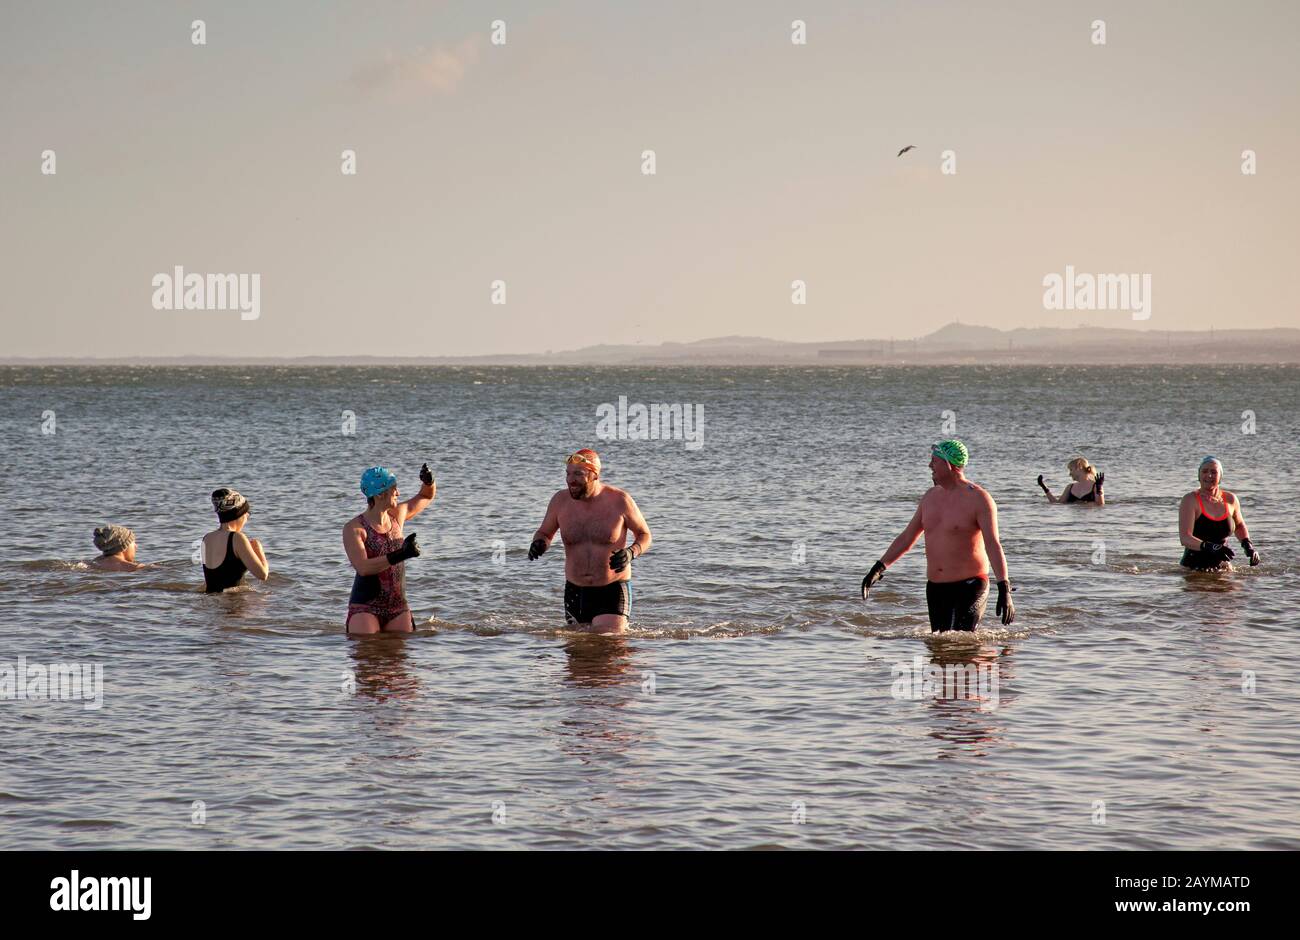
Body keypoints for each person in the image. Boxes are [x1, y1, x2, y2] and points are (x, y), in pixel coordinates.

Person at [861, 440, 1015, 631]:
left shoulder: (979, 499)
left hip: (971, 585)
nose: (929, 466)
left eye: (934, 461)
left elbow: (993, 544)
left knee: (963, 646)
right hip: (936, 588)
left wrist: (1004, 588)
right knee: (939, 649)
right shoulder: (930, 497)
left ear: (949, 464)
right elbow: (907, 537)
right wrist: (877, 569)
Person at [528, 449, 652, 634]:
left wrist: (631, 552)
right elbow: (545, 532)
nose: (571, 480)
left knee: (609, 644)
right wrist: (539, 543)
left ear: (595, 475)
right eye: (568, 473)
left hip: (612, 588)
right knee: (578, 655)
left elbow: (644, 534)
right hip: (575, 590)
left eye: (578, 474)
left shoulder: (620, 500)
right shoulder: (559, 501)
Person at [343, 464, 434, 634]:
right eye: (394, 489)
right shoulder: (354, 528)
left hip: (398, 608)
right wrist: (402, 554)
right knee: (369, 653)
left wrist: (429, 482)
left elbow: (425, 496)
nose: (398, 493)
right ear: (380, 494)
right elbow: (363, 568)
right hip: (365, 608)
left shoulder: (397, 515)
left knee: (401, 658)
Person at [1179, 456, 1260, 571]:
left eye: (1214, 472)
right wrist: (1211, 547)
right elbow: (1185, 538)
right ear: (1199, 475)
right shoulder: (1190, 500)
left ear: (1220, 477)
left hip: (1224, 568)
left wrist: (1248, 547)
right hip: (1194, 570)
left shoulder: (1230, 499)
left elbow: (1239, 525)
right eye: (1204, 471)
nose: (1209, 475)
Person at [201, 488, 269, 592]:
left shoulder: (207, 538)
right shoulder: (237, 538)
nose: (247, 518)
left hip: (212, 605)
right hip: (233, 603)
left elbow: (211, 582)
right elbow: (262, 575)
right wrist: (258, 549)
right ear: (239, 514)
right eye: (247, 513)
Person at [1037, 456, 1104, 505]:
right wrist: (1044, 487)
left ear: (1079, 467)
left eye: (1071, 470)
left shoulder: (1096, 486)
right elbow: (1057, 503)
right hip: (1073, 522)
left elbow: (1100, 505)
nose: (1070, 474)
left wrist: (1099, 489)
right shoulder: (1070, 487)